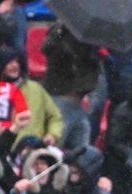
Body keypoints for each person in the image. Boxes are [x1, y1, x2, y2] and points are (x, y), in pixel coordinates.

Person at [0, 46, 63, 146]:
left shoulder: (35, 88)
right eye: (10, 62)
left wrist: (52, 135)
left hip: (33, 152)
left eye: (17, 61)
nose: (15, 65)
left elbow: (55, 117)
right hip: (1, 152)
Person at [40, 22, 100, 150]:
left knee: (82, 157)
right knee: (51, 154)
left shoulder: (91, 38)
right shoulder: (61, 31)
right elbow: (46, 48)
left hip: (78, 105)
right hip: (60, 101)